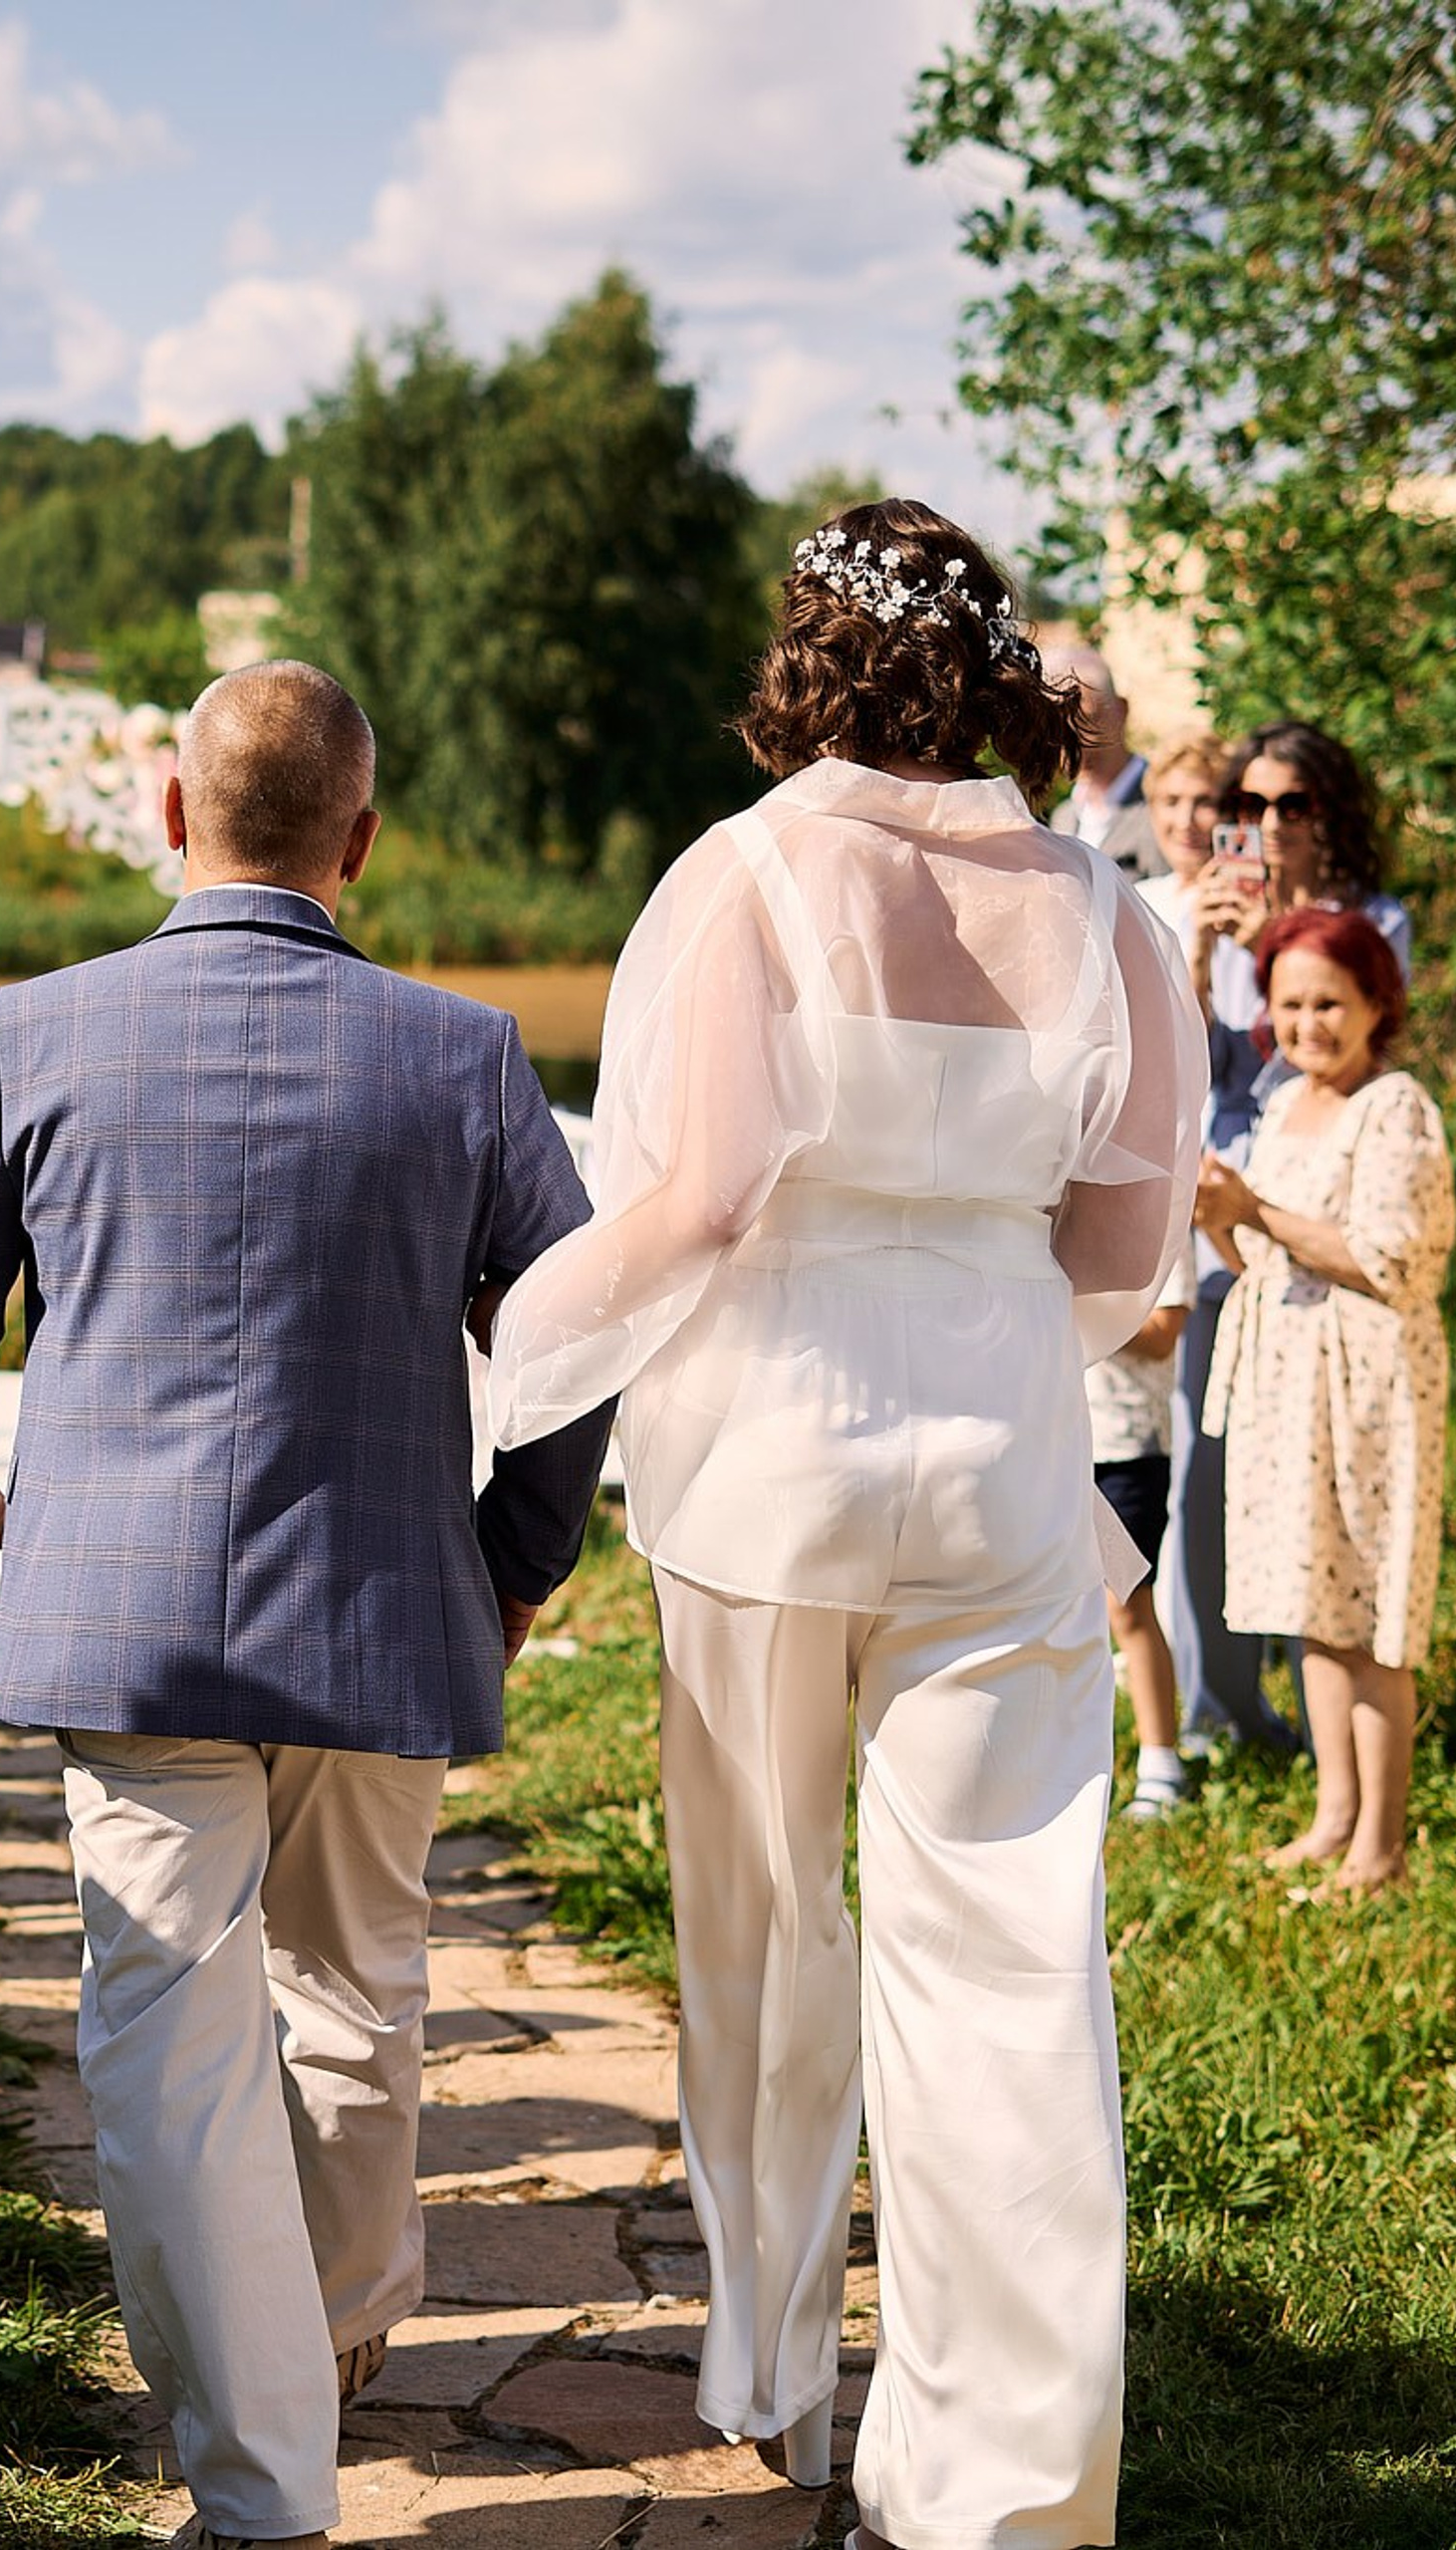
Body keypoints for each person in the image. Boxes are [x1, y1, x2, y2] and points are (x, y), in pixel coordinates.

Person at [489, 502, 1202, 2550]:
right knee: (1000, 1962)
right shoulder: (1101, 910)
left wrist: (495, 1373)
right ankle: (1002, 2484)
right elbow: (1125, 1252)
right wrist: (967, 1315)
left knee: (760, 1930)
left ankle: (770, 2369)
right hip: (996, 1466)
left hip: (760, 1473)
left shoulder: (738, 877)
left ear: (807, 662)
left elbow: (692, 1200)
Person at [0, 661, 610, 2550]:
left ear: (170, 817)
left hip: (127, 1611)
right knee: (357, 1988)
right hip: (385, 1599)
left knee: (161, 2024)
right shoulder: (461, 1051)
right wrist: (519, 1552)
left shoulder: (42, 1030)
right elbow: (574, 1331)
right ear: (361, 840)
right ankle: (344, 2331)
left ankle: (263, 2467)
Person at [1195, 907, 1450, 1896]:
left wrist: (1252, 1208)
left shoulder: (1395, 1108)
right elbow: (1260, 1257)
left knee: (1370, 1608)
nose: (1309, 1023)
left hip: (1366, 1388)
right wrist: (1224, 1219)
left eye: (1329, 1004)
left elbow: (1389, 1258)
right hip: (1285, 1382)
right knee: (1310, 1599)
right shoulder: (1285, 1101)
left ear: (1375, 1002)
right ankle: (1331, 1813)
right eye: (1291, 1003)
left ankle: (1380, 1843)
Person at [1169, 720, 1409, 1757]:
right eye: (1247, 807)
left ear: (1328, 812)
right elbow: (1177, 1071)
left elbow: (1323, 1063)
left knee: (1311, 1478)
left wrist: (1278, 938)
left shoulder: (1369, 924)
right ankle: (1220, 1708)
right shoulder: (1206, 919)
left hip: (1307, 1220)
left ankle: (1329, 1719)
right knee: (1205, 1467)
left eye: (1290, 805)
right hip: (1217, 1215)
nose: (1265, 826)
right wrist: (1199, 949)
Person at [1092, 1250, 1195, 1820]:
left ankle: (1162, 1764)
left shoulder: (1164, 1227)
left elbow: (1161, 1336)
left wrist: (1077, 1295)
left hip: (1127, 1444)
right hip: (1056, 1432)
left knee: (1127, 1606)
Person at [1044, 641, 1160, 878]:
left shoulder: (1165, 807)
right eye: (1051, 721)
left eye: (1082, 719)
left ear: (1121, 710)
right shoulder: (1064, 817)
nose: (1064, 734)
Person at [1131, 732, 1224, 957]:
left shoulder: (1242, 909)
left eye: (1204, 803)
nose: (1185, 822)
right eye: (1171, 802)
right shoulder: (1138, 899)